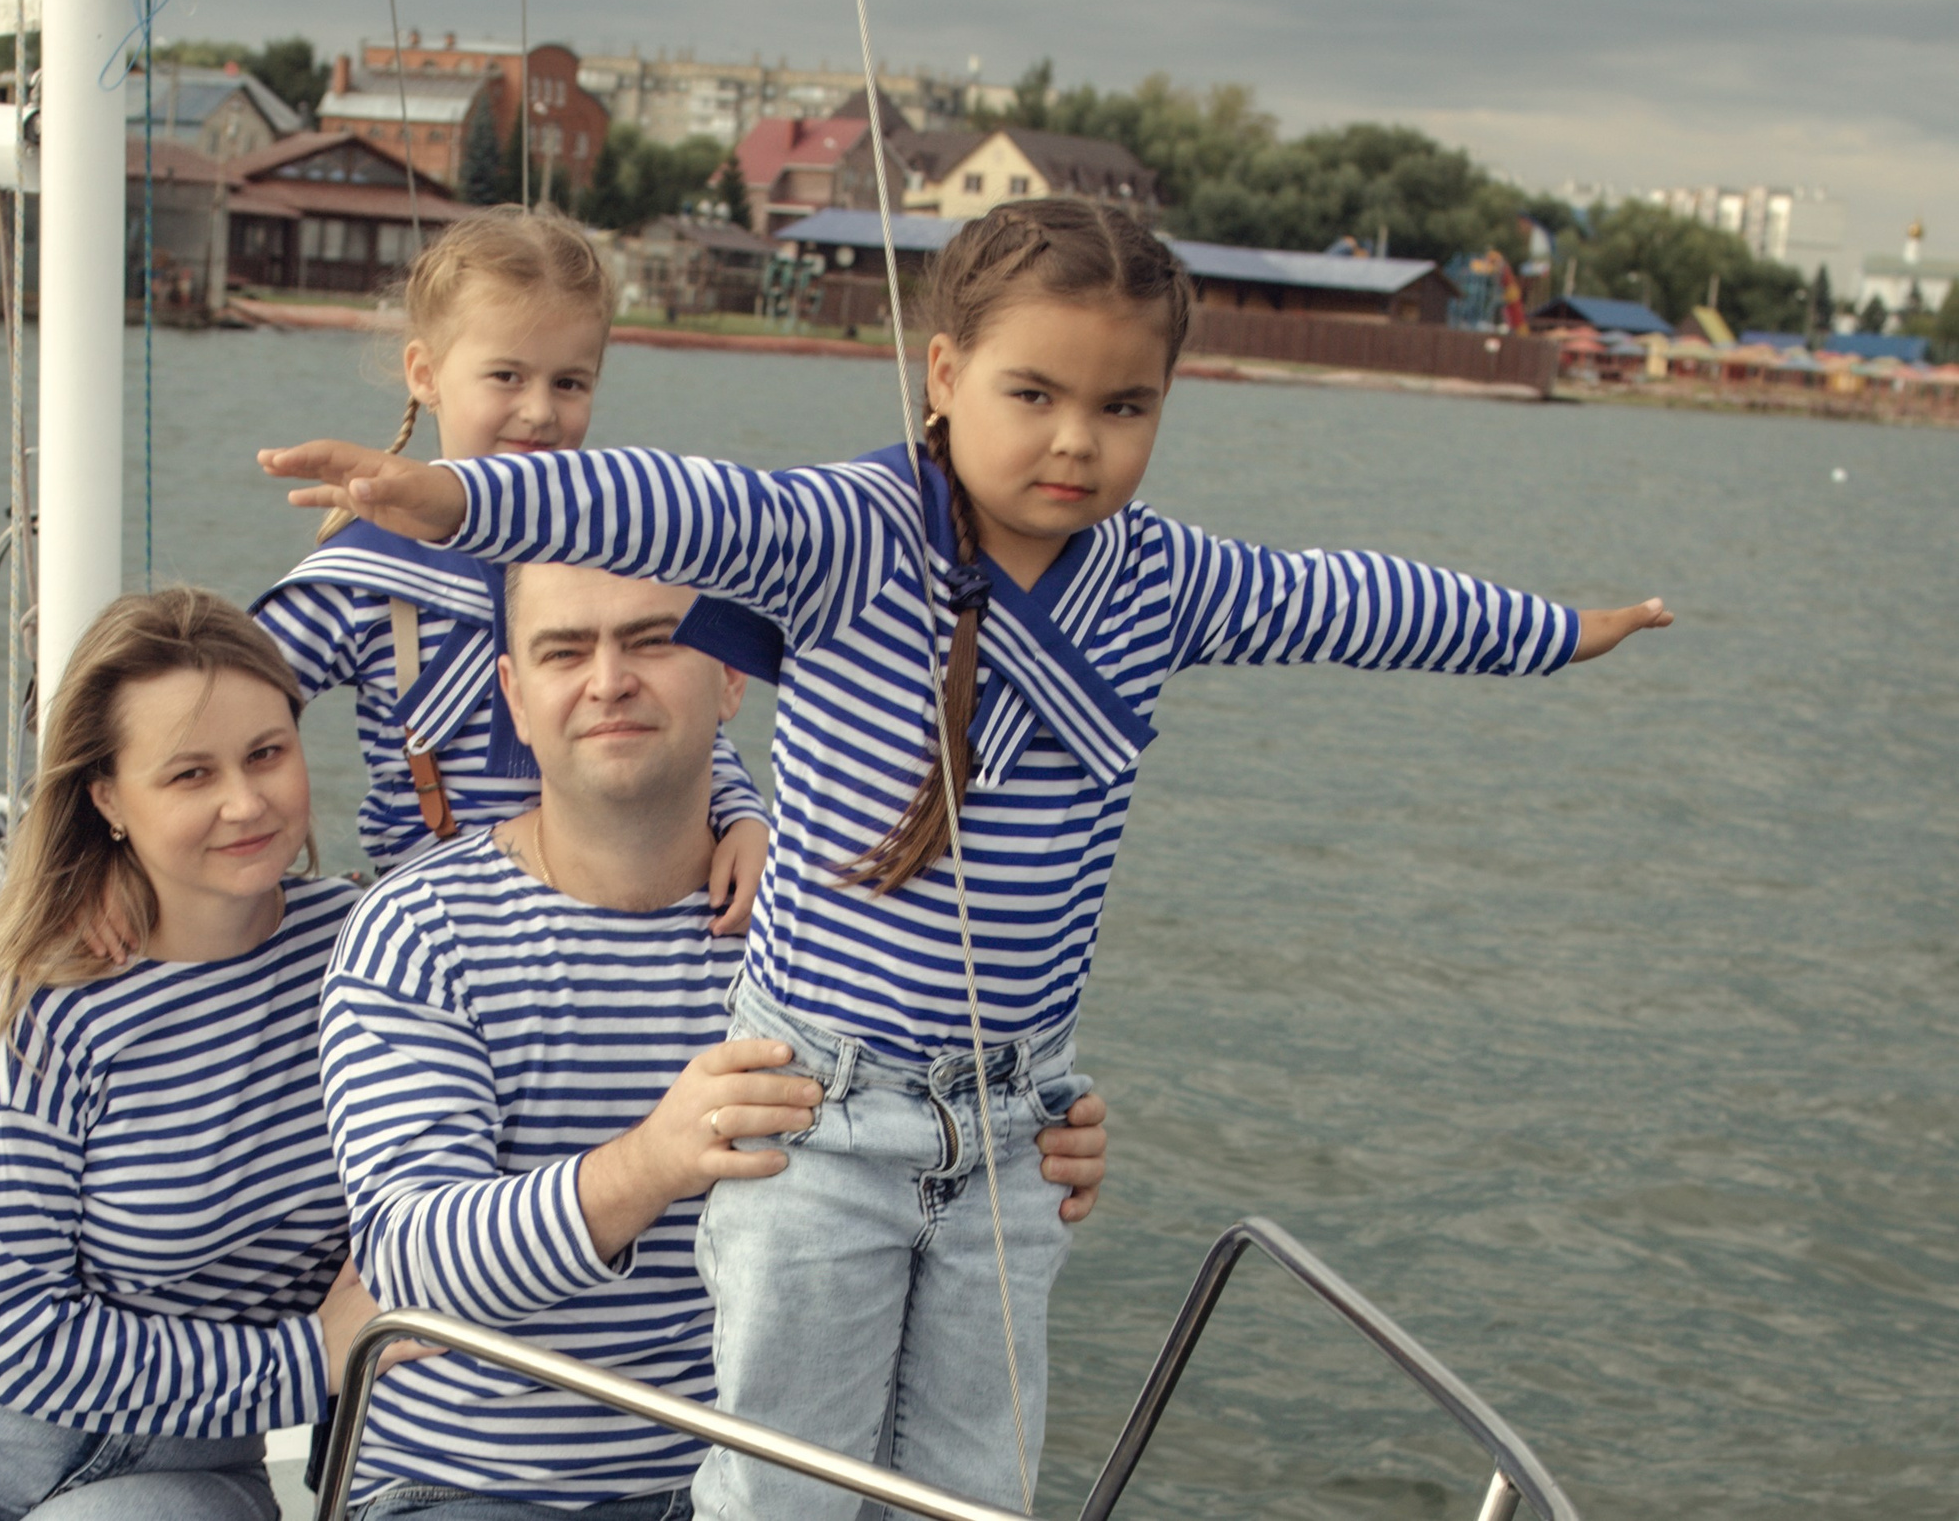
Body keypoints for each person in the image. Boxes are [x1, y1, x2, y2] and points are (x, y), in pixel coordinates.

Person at [258, 198, 1676, 1520]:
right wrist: (446, 500)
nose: (1077, 441)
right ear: (942, 374)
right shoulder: (852, 535)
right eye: (1035, 395)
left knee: (970, 1485)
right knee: (787, 1477)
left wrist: (1549, 629)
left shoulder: (1161, 580)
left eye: (1124, 406)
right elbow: (666, 504)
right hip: (825, 1113)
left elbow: (1346, 598)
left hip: (1007, 1123)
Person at [314, 560, 1108, 1521]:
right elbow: (410, 1260)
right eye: (565, 651)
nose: (608, 679)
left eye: (653, 639)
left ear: (733, 676)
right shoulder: (419, 931)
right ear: (515, 699)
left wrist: (1018, 1145)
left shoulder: (837, 934)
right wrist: (649, 1162)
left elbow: (930, 1167)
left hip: (770, 1471)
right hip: (479, 1487)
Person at [0, 589, 377, 1521]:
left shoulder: (376, 955)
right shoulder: (44, 993)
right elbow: (11, 1333)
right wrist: (314, 1356)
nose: (246, 800)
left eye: (267, 752)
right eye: (189, 775)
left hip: (181, 1467)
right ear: (107, 795)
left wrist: (707, 815)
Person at [251, 205, 769, 920]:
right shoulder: (366, 573)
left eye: (569, 383)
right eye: (506, 375)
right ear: (425, 373)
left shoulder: (626, 547)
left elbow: (690, 710)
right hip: (439, 918)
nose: (538, 412)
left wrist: (743, 814)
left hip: (620, 913)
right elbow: (225, 702)